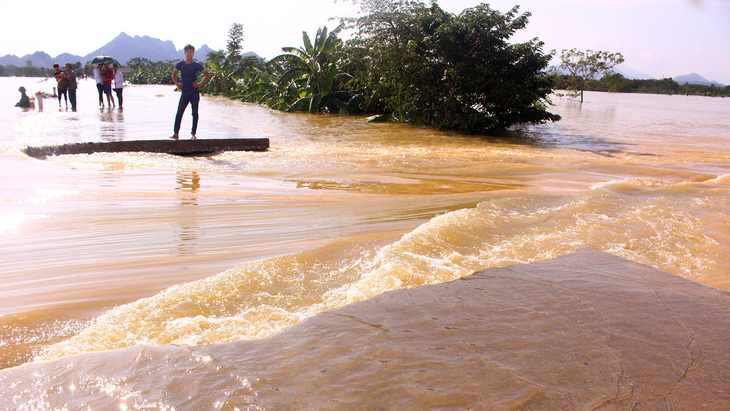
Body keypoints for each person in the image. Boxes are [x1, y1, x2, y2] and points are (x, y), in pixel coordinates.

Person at [171, 44, 211, 140]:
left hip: (194, 92)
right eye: (187, 52)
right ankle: (176, 133)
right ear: (185, 53)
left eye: (191, 52)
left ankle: (193, 134)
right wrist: (177, 83)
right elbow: (173, 75)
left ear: (193, 53)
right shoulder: (180, 64)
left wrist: (199, 84)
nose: (189, 54)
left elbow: (207, 75)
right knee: (179, 112)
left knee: (194, 113)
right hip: (184, 92)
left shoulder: (196, 65)